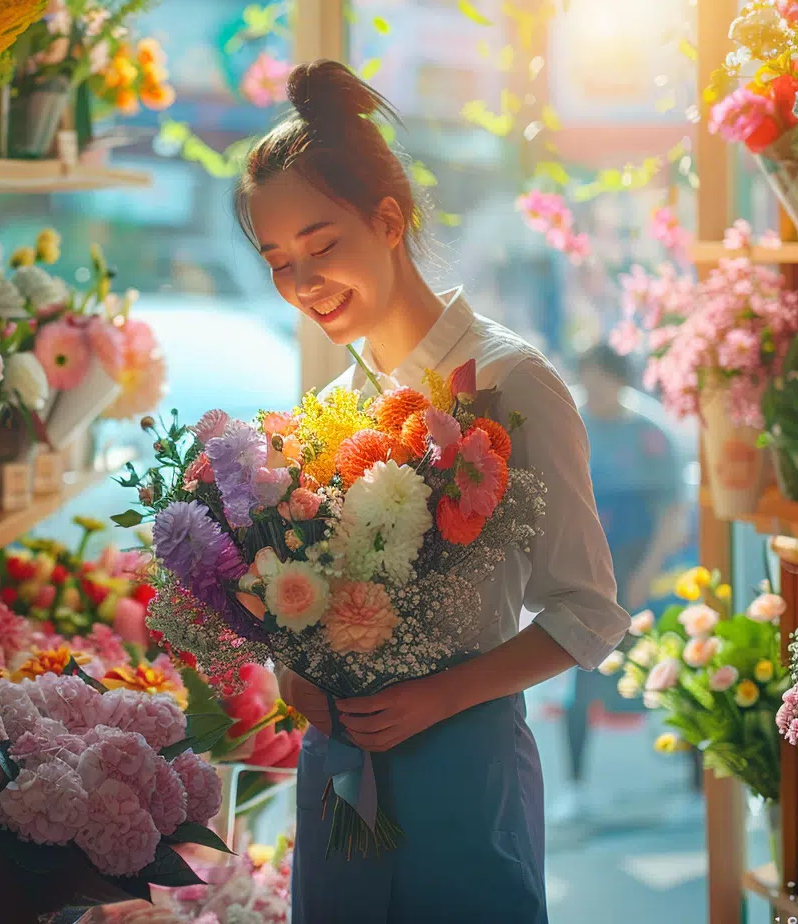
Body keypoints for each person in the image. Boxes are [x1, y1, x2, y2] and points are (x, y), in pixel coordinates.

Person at [234, 60, 629, 923]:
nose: (302, 285)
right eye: (278, 261)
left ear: (390, 219)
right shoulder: (334, 409)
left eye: (322, 245)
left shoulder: (513, 383)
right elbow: (302, 613)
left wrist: (440, 696)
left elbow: (588, 613)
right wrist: (292, 674)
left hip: (463, 764)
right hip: (339, 765)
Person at [549, 344, 689, 822]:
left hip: (643, 568)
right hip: (589, 569)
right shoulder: (572, 424)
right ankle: (576, 789)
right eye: (586, 379)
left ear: (620, 380)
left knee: (673, 670)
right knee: (582, 679)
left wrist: (646, 573)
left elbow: (674, 511)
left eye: (600, 379)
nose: (593, 389)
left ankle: (696, 788)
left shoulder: (651, 434)